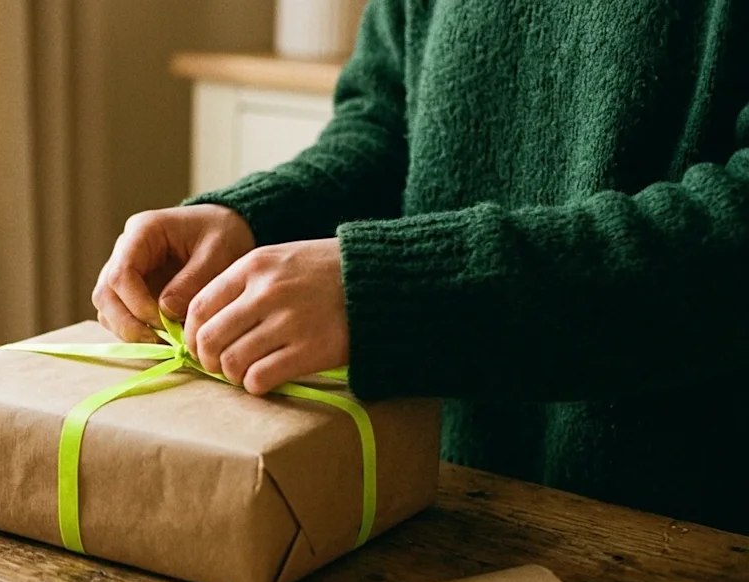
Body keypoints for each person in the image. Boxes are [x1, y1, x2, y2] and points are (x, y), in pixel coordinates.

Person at [92, 0, 749, 535]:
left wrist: (389, 291)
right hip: (438, 503)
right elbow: (384, 125)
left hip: (685, 538)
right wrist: (249, 219)